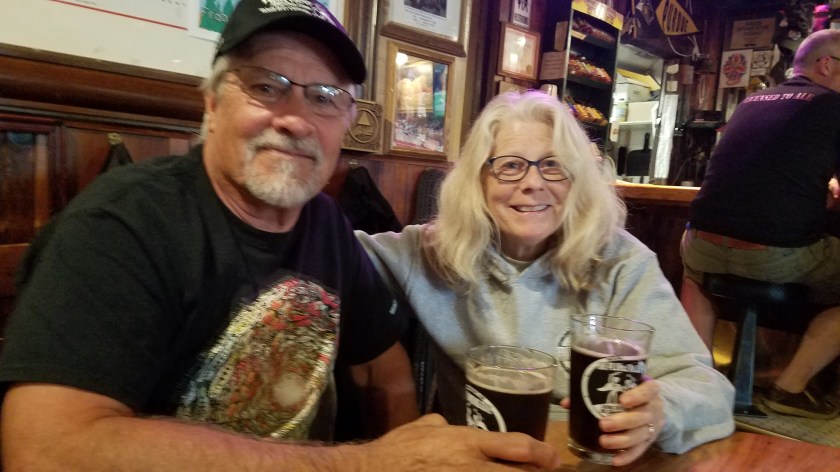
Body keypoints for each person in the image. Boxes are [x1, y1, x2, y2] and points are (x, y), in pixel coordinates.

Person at [0, 1, 562, 470]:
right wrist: (368, 463)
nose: (296, 119)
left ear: (347, 123)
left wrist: (410, 453)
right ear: (212, 104)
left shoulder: (325, 223)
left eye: (324, 97)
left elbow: (381, 363)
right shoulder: (122, 225)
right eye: (267, 87)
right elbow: (44, 451)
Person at [357, 90, 735, 467]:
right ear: (477, 180)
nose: (534, 183)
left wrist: (660, 411)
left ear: (576, 180)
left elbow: (707, 388)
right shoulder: (431, 253)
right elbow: (337, 253)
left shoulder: (620, 262)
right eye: (510, 166)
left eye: (553, 165)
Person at [680, 28, 840, 420]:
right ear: (826, 64)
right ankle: (790, 388)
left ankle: (695, 378)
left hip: (698, 242)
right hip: (777, 255)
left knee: (696, 276)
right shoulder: (834, 105)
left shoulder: (751, 102)